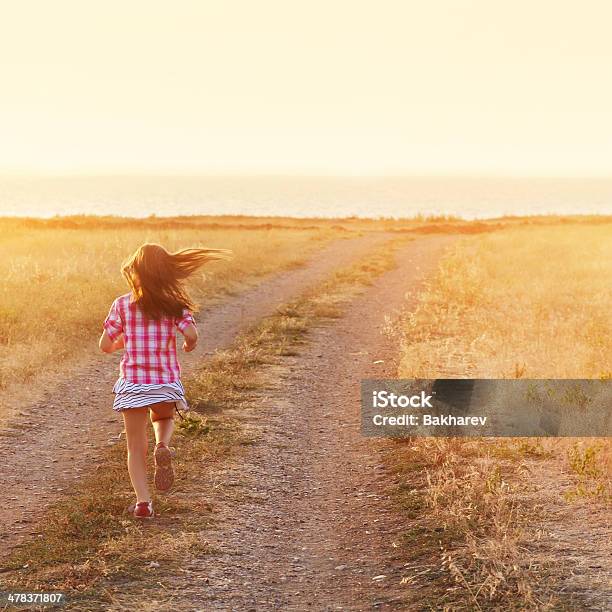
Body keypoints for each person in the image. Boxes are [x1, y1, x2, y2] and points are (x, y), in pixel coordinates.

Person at [99, 243, 231, 519]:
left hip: (133, 383)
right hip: (164, 381)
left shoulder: (122, 304)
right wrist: (188, 345)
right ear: (167, 273)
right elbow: (192, 335)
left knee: (135, 447)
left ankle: (143, 503)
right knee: (162, 417)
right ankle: (163, 445)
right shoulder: (175, 306)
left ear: (135, 272)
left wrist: (123, 341)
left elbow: (105, 345)